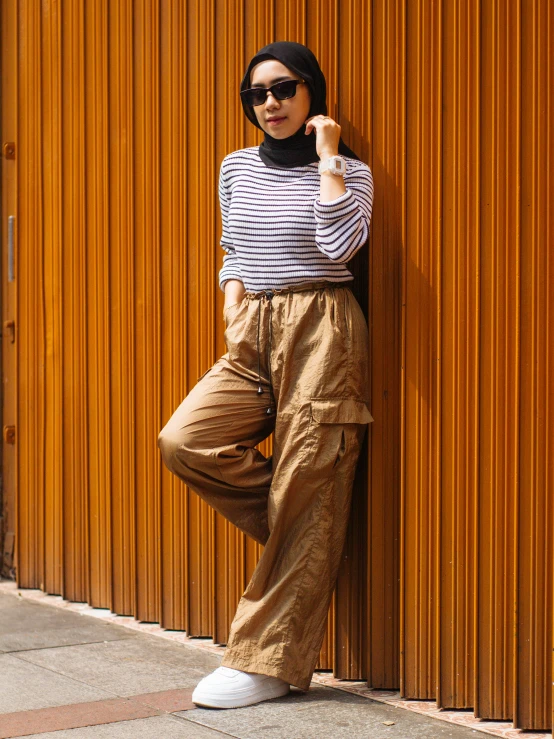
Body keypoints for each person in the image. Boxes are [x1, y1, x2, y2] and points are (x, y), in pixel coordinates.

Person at [158, 40, 374, 709]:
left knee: (309, 475)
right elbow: (233, 242)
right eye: (257, 94)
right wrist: (230, 296)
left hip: (322, 326)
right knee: (186, 440)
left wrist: (330, 155)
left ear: (312, 92)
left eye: (284, 89)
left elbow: (340, 244)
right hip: (252, 329)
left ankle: (265, 661)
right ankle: (306, 536)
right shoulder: (235, 166)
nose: (270, 103)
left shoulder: (349, 171)